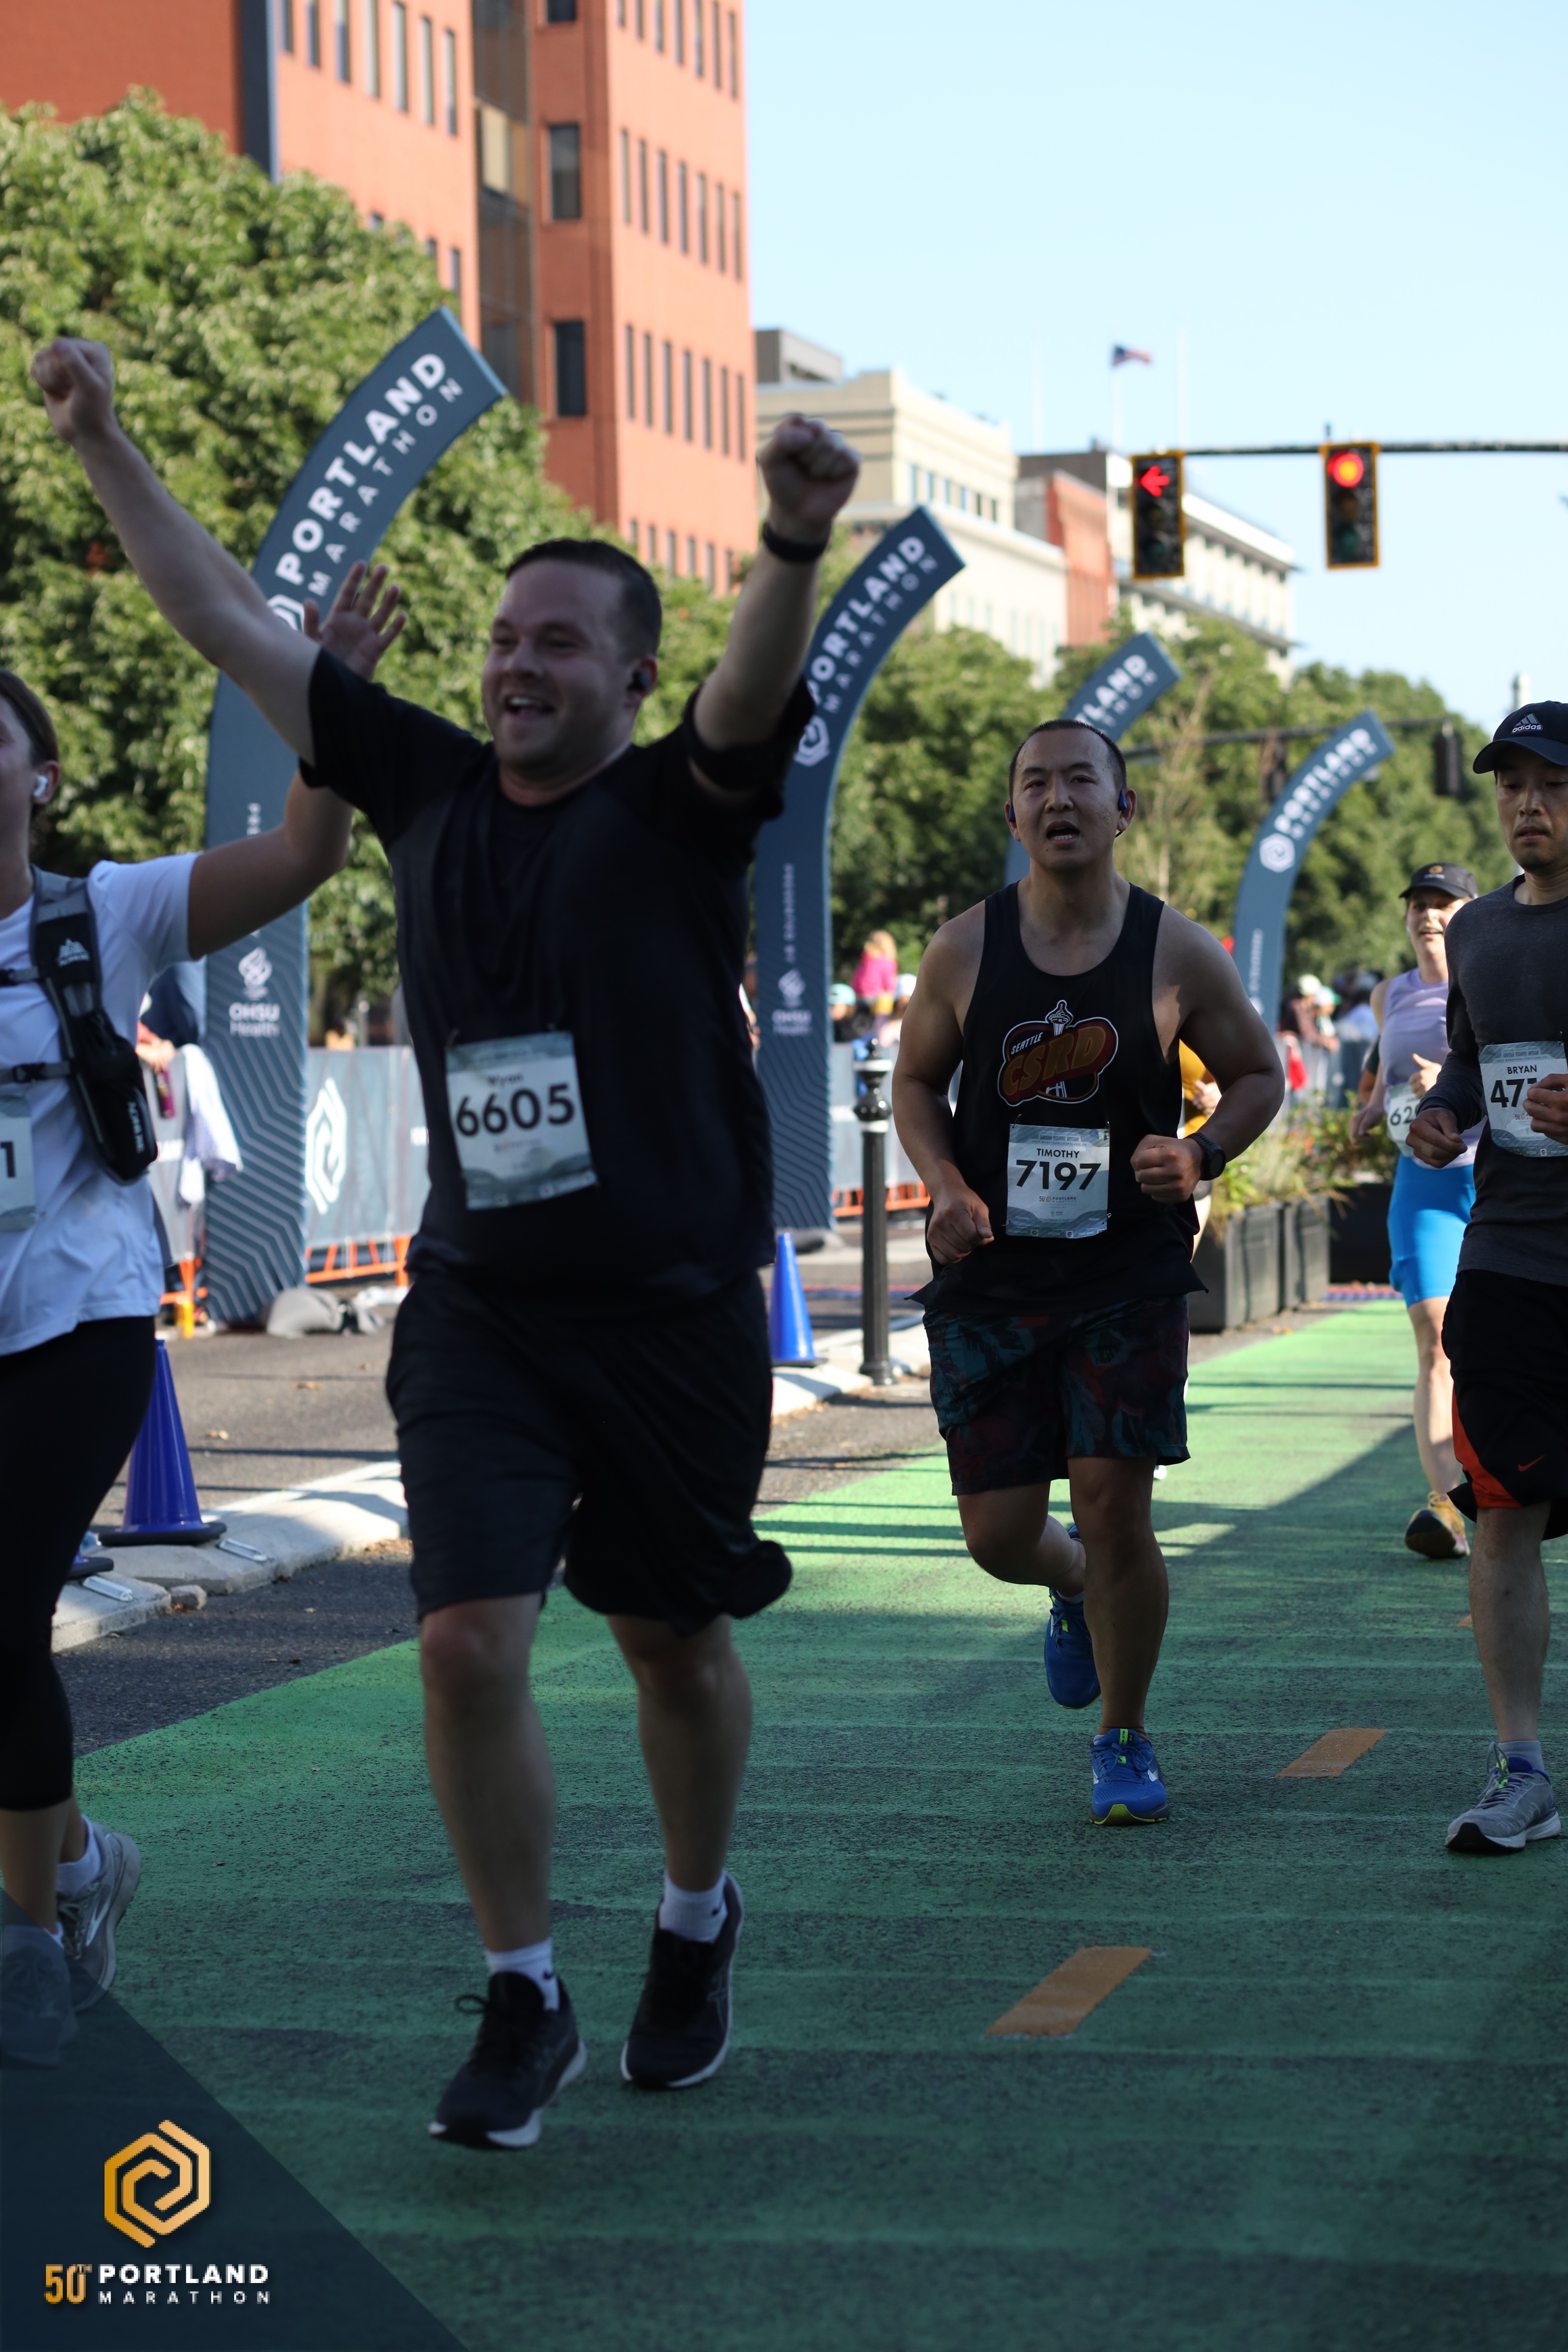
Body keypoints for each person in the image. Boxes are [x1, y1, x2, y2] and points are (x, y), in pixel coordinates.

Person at [34, 332, 860, 2140]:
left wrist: (792, 543)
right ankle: (522, 1987)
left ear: (628, 679)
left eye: (558, 642)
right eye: (501, 637)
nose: (515, 663)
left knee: (668, 1642)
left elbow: (748, 691)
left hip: (673, 1312)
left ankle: (694, 1920)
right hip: (484, 1310)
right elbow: (222, 619)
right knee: (465, 1642)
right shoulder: (422, 783)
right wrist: (102, 439)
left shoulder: (679, 807)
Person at [0, 555, 404, 2067]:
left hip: (80, 1322)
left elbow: (304, 851)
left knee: (3, 1609)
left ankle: (27, 1938)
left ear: (40, 775)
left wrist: (330, 701)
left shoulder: (101, 913)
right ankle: (83, 1860)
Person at [891, 719, 1283, 1825]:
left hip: (1125, 1272)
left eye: (1079, 781)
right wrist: (943, 1183)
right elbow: (915, 1083)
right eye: (1035, 784)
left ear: (1124, 808)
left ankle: (1124, 1730)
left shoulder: (1176, 950)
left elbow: (1259, 1073)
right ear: (1013, 814)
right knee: (996, 1535)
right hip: (993, 1276)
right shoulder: (962, 948)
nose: (1057, 799)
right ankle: (1065, 1584)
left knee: (1113, 1506)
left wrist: (1201, 1153)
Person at [1408, 705, 1568, 1856]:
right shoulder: (1478, 932)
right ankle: (1523, 1771)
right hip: (1508, 1260)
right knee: (1504, 1512)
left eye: (1551, 784)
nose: (1529, 804)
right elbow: (1471, 1058)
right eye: (1512, 785)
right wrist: (1443, 1113)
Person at [1349, 865, 1479, 1559]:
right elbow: (1387, 1065)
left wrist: (1449, 1083)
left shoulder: (1491, 978)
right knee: (1434, 1338)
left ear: (1471, 912)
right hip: (1424, 1183)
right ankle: (1447, 1504)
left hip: (1500, 1179)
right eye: (1418, 905)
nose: (1428, 916)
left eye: (1443, 904)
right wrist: (1375, 1108)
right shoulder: (1388, 994)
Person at [853, 928, 898, 1014]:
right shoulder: (886, 962)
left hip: (859, 999)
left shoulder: (865, 960)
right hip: (875, 1002)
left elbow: (855, 982)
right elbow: (890, 986)